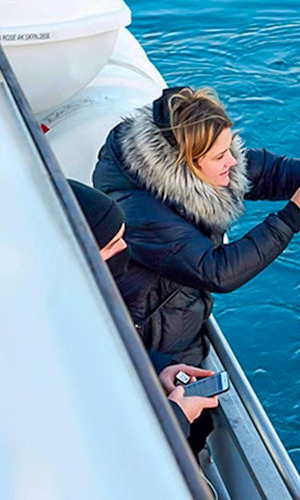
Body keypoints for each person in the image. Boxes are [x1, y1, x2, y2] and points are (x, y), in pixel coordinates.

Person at [92, 86, 300, 367]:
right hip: (148, 345)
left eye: (230, 148)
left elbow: (276, 172)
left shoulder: (198, 168)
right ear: (183, 163)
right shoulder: (140, 211)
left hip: (178, 319)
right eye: (220, 157)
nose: (232, 161)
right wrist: (294, 217)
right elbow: (216, 271)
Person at [67, 179, 218, 437]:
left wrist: (158, 370)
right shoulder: (57, 338)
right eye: (111, 245)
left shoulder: (78, 302)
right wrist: (177, 416)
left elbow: (112, 357)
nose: (124, 249)